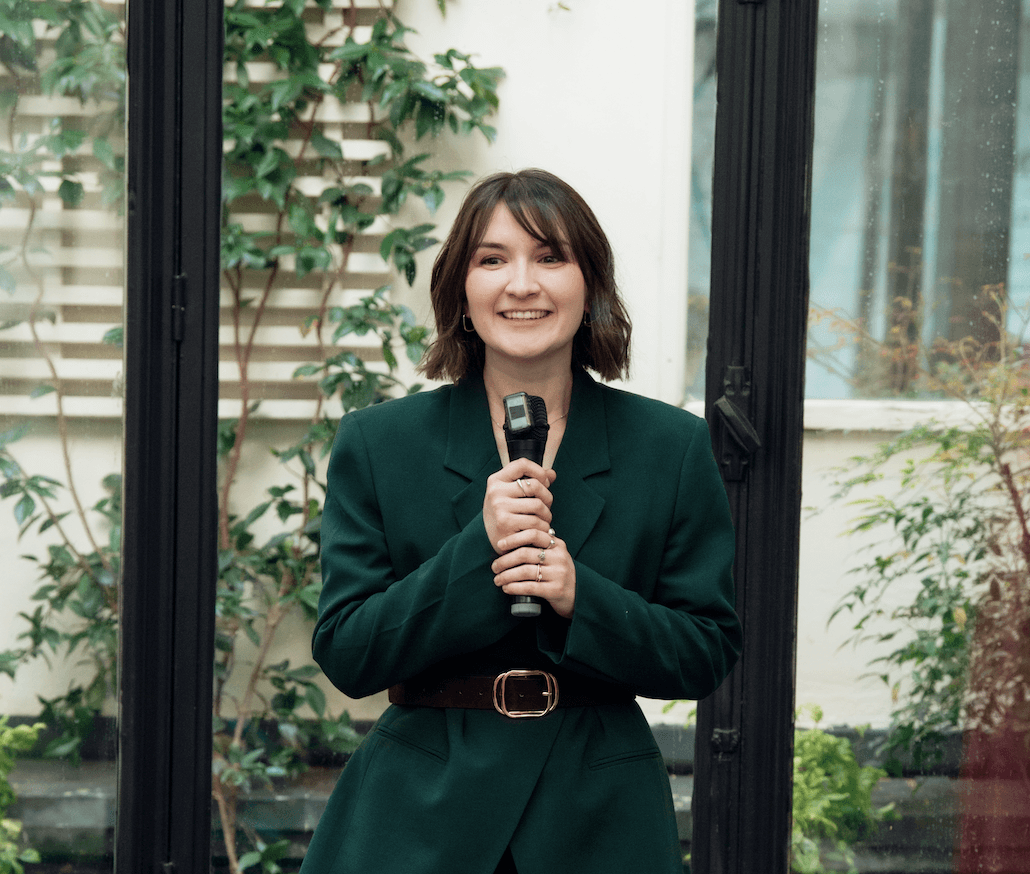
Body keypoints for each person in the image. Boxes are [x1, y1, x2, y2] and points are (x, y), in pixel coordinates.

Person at [300, 168, 742, 874]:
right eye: (492, 259)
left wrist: (579, 596)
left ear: (590, 286)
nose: (522, 284)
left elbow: (706, 650)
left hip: (600, 819)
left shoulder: (671, 447)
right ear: (461, 290)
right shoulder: (380, 443)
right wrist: (480, 551)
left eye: (550, 257)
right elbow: (349, 652)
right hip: (417, 818)